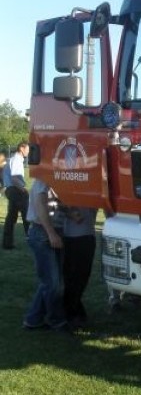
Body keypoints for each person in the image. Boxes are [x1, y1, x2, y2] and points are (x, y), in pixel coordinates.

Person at [23, 178, 67, 331]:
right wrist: (51, 234)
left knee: (50, 281)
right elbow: (41, 206)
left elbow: (56, 203)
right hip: (42, 232)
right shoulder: (42, 181)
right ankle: (55, 320)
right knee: (51, 282)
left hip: (49, 232)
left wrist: (71, 213)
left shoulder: (53, 179)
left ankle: (33, 318)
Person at [62, 206, 98, 329]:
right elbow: (55, 204)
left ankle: (73, 310)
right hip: (72, 236)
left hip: (86, 234)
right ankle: (72, 312)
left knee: (81, 277)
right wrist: (69, 212)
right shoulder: (66, 188)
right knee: (73, 277)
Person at [3, 142, 31, 249]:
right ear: (22, 148)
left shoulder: (13, 159)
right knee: (26, 216)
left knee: (11, 217)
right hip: (16, 190)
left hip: (11, 190)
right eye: (27, 149)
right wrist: (24, 189)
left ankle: (7, 243)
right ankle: (31, 240)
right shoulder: (17, 160)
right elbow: (15, 178)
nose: (28, 151)